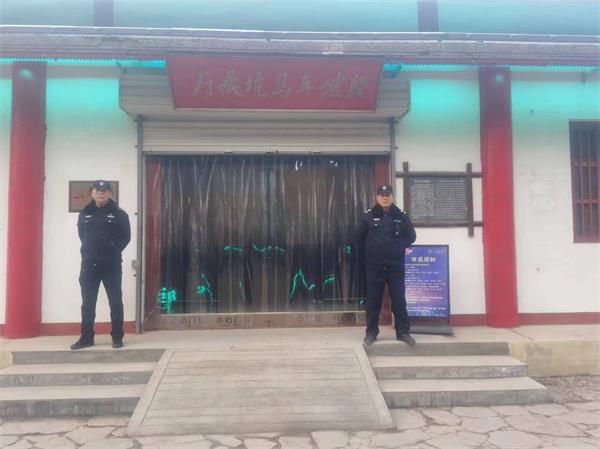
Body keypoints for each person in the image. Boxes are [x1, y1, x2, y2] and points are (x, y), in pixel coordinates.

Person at [71, 180, 131, 350]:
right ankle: (86, 337)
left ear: (110, 193)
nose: (101, 193)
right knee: (88, 302)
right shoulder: (85, 213)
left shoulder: (119, 214)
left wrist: (111, 250)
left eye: (104, 191)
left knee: (115, 302)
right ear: (92, 193)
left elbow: (126, 237)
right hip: (89, 265)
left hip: (111, 265)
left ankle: (117, 337)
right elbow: (82, 235)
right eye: (97, 190)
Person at [356, 184, 417, 346]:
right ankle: (371, 333)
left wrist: (396, 247)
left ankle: (403, 332)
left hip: (395, 265)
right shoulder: (368, 216)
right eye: (382, 195)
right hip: (374, 266)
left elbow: (411, 237)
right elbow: (358, 238)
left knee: (399, 299)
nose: (385, 198)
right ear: (377, 197)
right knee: (373, 300)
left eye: (388, 195)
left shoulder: (401, 215)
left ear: (392, 197)